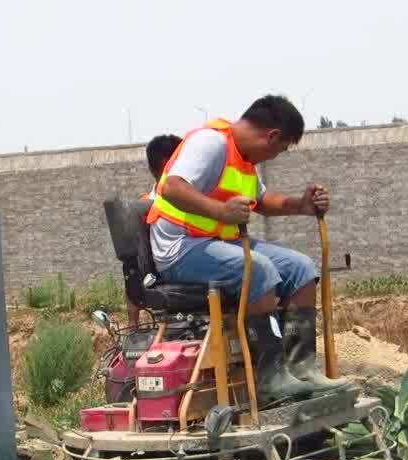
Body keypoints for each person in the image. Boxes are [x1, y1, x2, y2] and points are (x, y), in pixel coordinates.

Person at [146, 94, 350, 406]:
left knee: (301, 268)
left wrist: (301, 205)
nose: (274, 157)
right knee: (260, 269)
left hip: (219, 243)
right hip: (180, 248)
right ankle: (270, 378)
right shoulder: (211, 144)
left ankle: (302, 370)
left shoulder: (244, 160)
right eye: (280, 150)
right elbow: (173, 187)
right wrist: (221, 211)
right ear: (271, 136)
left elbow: (262, 202)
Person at [120, 134, 183, 326]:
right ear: (168, 163)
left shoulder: (144, 203)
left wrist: (132, 326)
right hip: (180, 270)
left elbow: (132, 265)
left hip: (154, 279)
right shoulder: (182, 203)